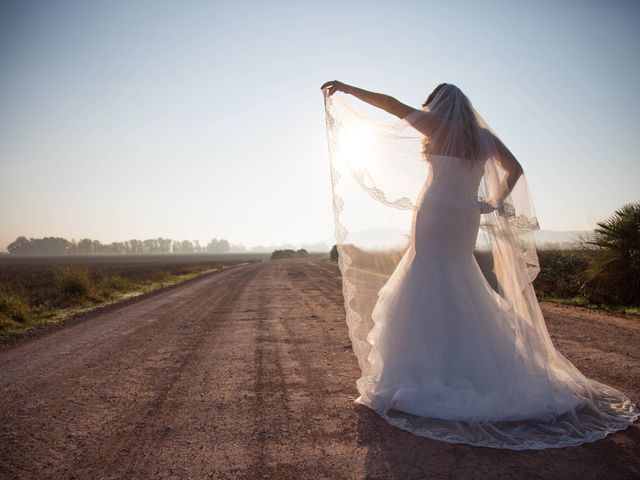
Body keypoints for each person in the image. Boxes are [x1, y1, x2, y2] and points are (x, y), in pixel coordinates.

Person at [320, 80, 639, 449]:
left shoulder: (436, 127)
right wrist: (492, 201)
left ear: (438, 105)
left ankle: (430, 366)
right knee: (458, 273)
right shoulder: (483, 138)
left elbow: (391, 104)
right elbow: (515, 169)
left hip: (435, 212)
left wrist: (349, 89)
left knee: (428, 272)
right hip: (466, 215)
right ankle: (472, 361)